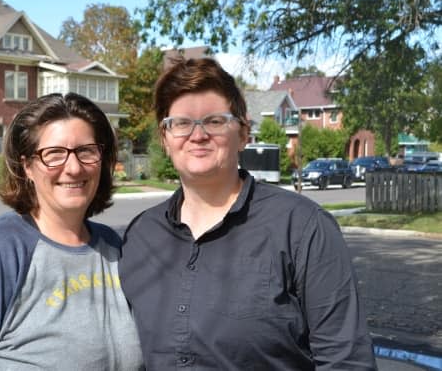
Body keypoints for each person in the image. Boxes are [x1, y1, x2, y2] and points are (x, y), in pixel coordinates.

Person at [119, 58, 377, 370]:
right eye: (181, 123)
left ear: (243, 134)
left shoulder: (302, 228)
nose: (197, 135)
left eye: (214, 121)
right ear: (164, 139)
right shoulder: (140, 236)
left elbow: (346, 361)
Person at [0, 93, 144, 370]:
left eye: (86, 151)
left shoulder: (113, 248)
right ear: (27, 166)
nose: (73, 168)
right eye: (54, 154)